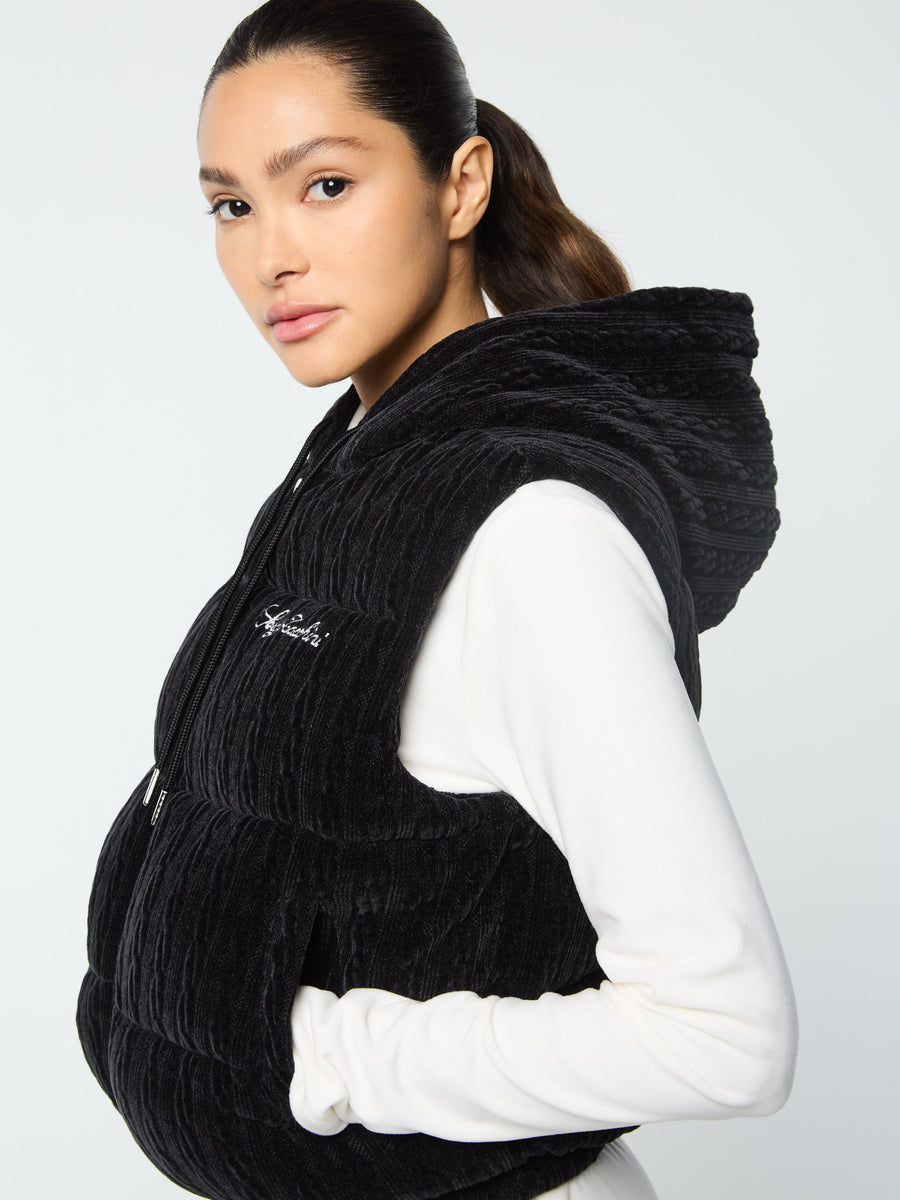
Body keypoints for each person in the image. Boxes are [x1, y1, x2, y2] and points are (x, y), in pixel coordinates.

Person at [75, 1, 798, 1197]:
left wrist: (318, 1057)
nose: (270, 256)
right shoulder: (354, 473)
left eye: (324, 186)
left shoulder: (532, 535)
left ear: (460, 187)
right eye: (231, 206)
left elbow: (725, 1034)